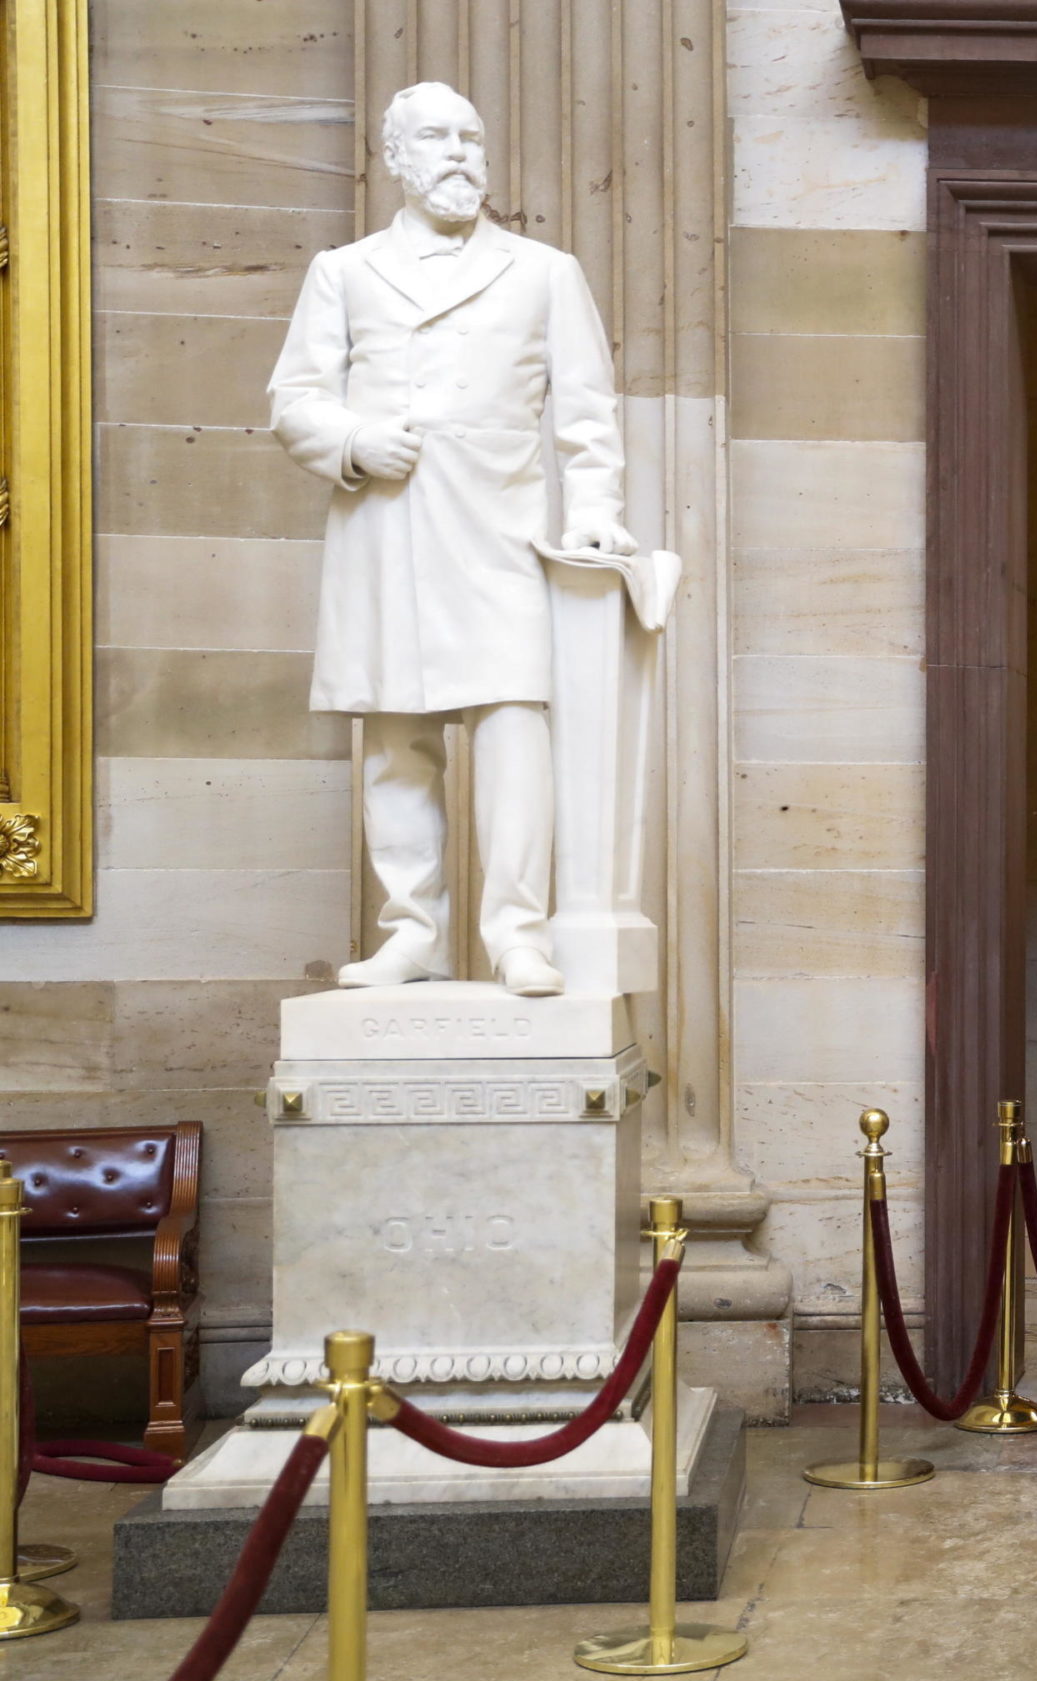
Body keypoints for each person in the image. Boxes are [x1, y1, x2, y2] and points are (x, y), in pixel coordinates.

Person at [269, 81, 636, 997]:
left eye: (471, 137)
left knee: (516, 732)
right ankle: (412, 933)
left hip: (499, 531)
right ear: (395, 157)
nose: (459, 153)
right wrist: (354, 441)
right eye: (435, 138)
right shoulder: (344, 270)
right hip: (385, 529)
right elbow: (294, 399)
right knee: (397, 742)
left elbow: (588, 415)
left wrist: (593, 510)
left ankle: (517, 931)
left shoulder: (544, 272)